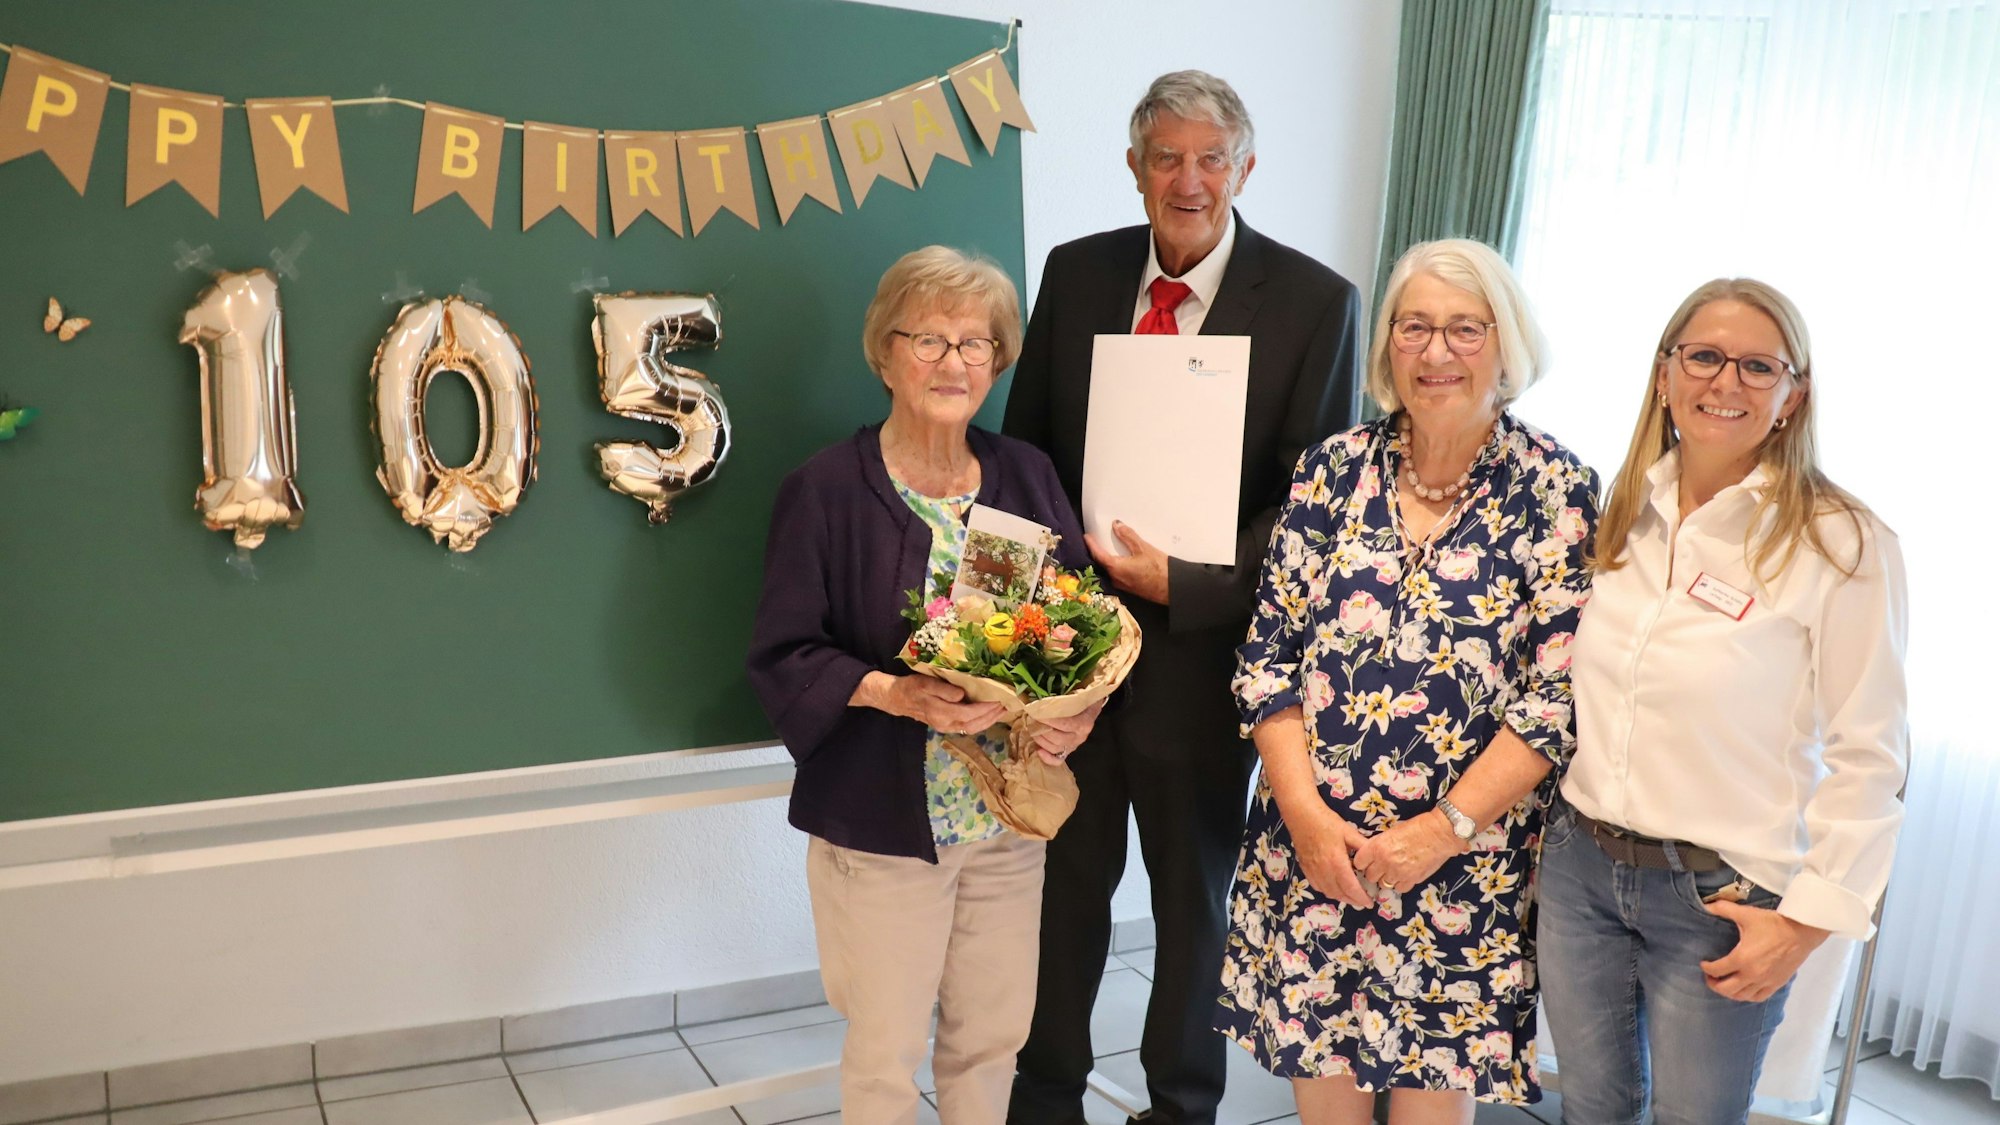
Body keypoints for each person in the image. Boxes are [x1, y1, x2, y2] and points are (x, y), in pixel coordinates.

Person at [1002, 70, 1364, 1125]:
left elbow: (1310, 505)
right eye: (1166, 157)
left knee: (1188, 901)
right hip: (1066, 653)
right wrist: (1030, 636)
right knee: (1062, 892)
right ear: (1133, 168)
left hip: (1207, 660)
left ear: (1244, 169)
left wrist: (1192, 583)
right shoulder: (1076, 275)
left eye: (1210, 158)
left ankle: (1179, 1107)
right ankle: (1046, 1096)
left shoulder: (1312, 302)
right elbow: (1026, 458)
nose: (1188, 179)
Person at [1218, 238, 1598, 1123]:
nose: (1436, 353)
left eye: (1465, 329)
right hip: (1317, 857)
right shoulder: (1329, 471)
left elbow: (1555, 700)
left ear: (1506, 343)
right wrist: (1310, 822)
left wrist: (1442, 829)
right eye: (1414, 327)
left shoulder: (1559, 489)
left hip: (1463, 872)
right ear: (1388, 344)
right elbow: (1266, 663)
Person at [746, 246, 1105, 1125]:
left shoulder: (1025, 473)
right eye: (930, 340)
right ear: (886, 354)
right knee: (886, 1052)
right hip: (885, 830)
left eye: (976, 344)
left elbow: (1083, 620)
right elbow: (783, 651)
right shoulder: (826, 489)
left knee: (992, 1036)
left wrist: (1081, 708)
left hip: (1008, 820)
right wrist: (893, 692)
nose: (955, 363)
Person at [1539, 279, 1908, 1125]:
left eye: (1757, 366)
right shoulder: (1624, 510)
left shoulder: (1840, 540)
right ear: (1665, 373)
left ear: (1794, 394)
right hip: (1581, 870)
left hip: (1723, 898)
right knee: (1591, 1108)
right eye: (1703, 356)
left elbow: (1872, 755)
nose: (1725, 382)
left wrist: (1806, 926)